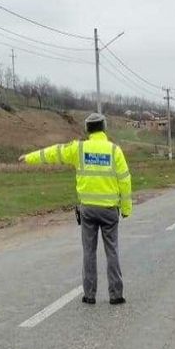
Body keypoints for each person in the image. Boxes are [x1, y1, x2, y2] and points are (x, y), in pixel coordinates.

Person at [19, 112, 132, 305]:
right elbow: (125, 180)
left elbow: (54, 152)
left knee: (89, 252)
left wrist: (29, 158)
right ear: (104, 128)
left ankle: (89, 295)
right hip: (109, 210)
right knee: (111, 251)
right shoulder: (114, 151)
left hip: (87, 210)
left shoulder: (79, 149)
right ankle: (116, 294)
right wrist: (126, 208)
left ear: (87, 129)